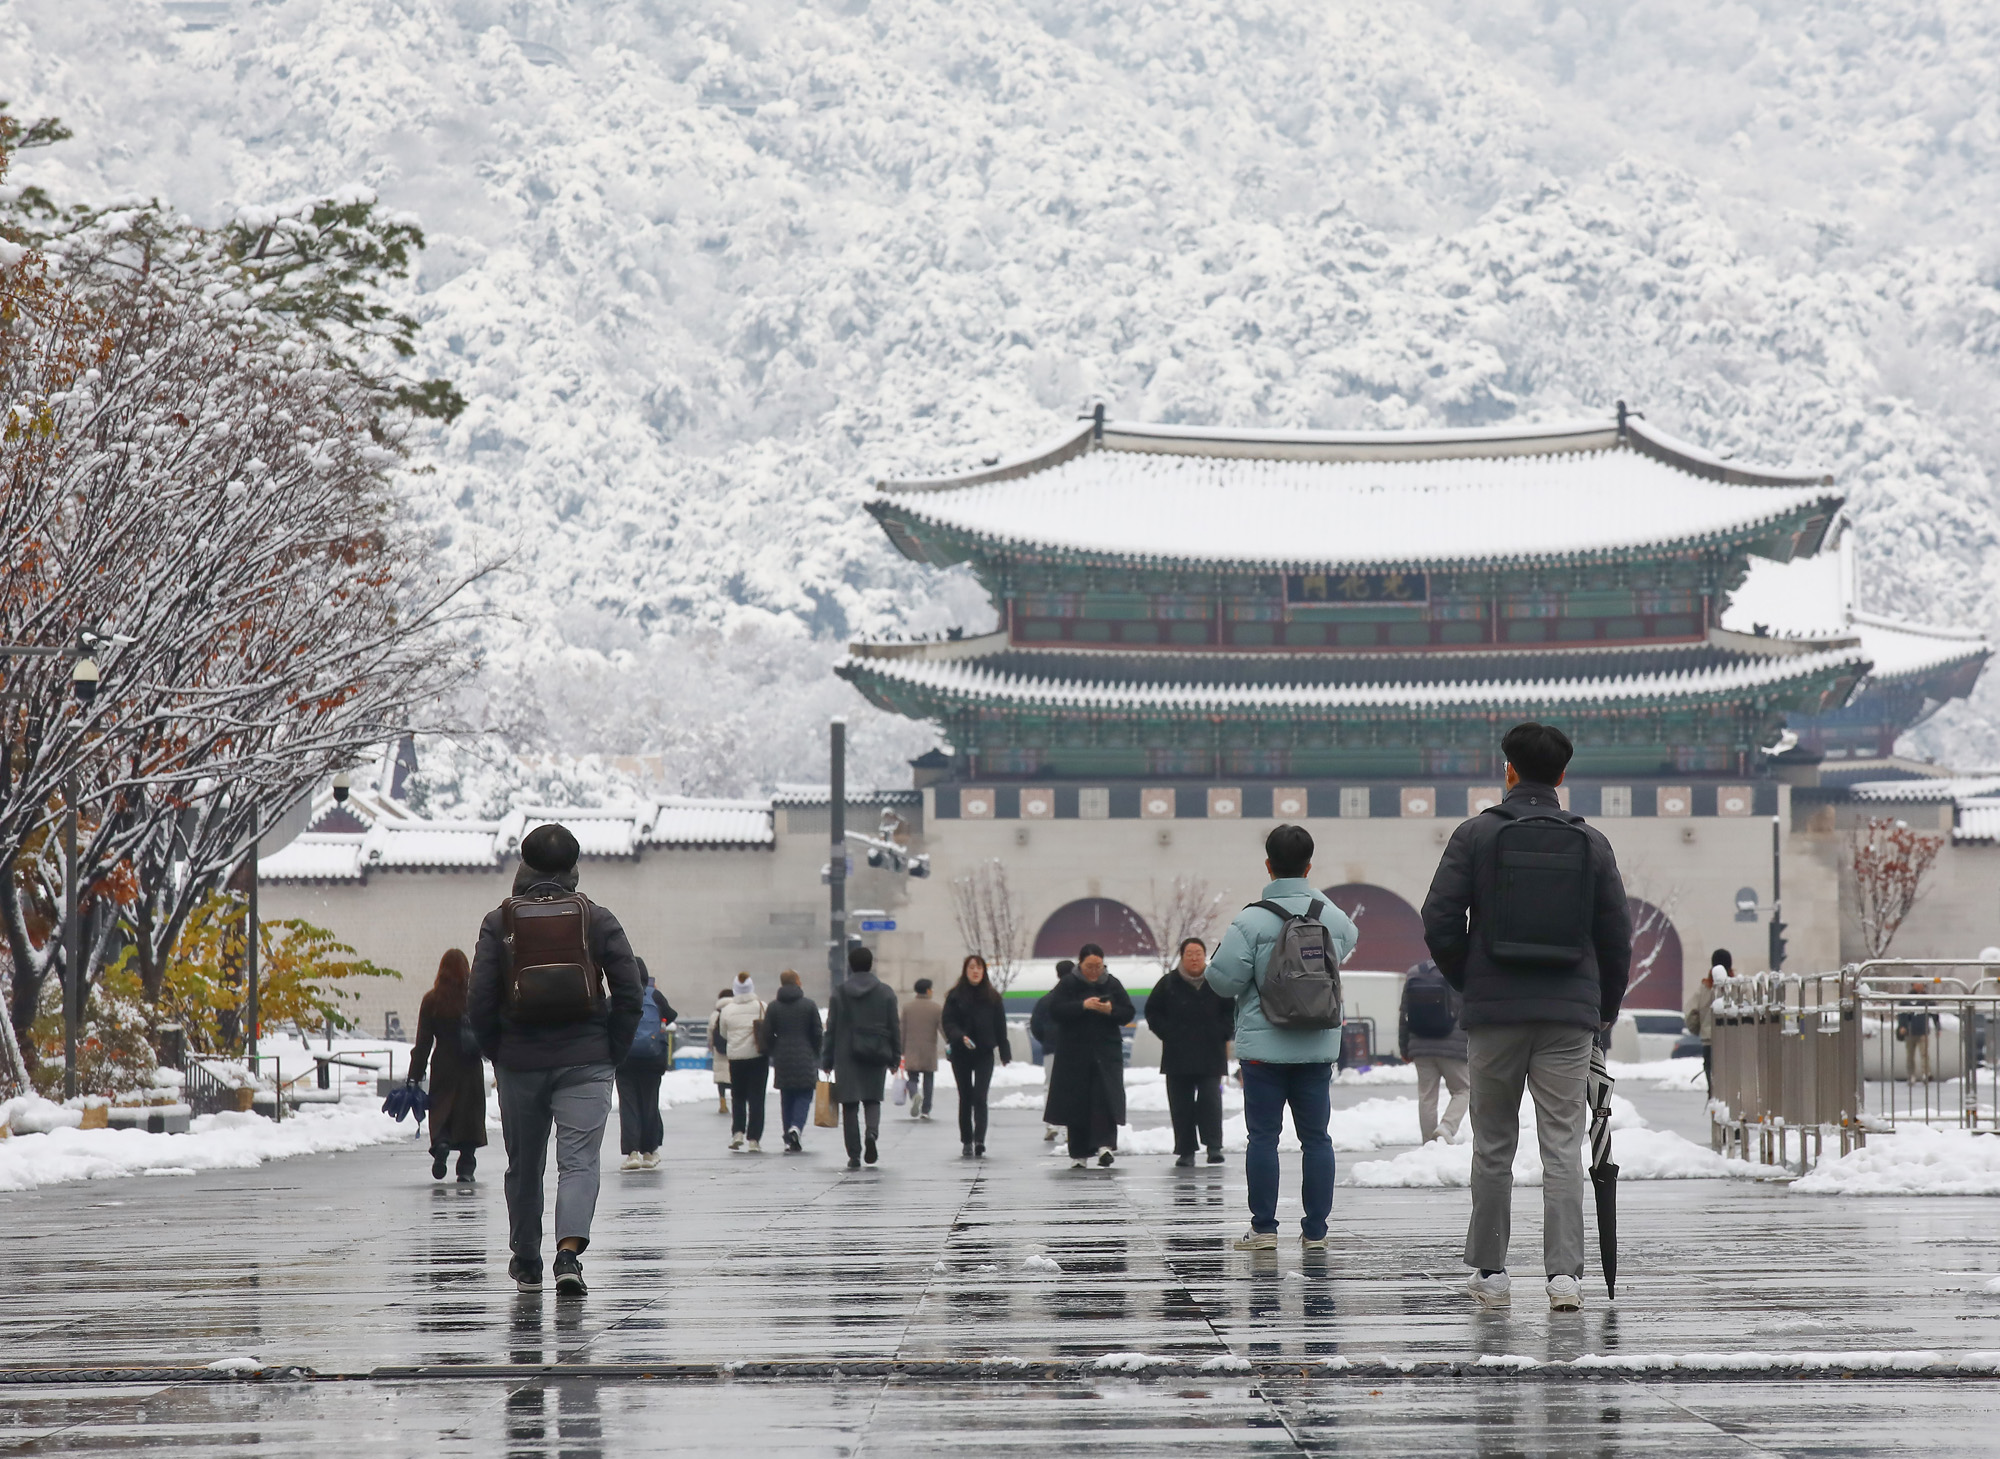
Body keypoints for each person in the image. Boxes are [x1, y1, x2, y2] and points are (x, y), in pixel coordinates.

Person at [1420, 722, 1631, 1314]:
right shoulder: (1592, 843)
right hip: (1568, 1019)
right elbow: (1617, 938)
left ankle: (1491, 1272)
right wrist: (1600, 1012)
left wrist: (1474, 983)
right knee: (1561, 1143)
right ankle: (1564, 1277)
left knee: (1493, 1144)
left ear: (1508, 770)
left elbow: (1439, 919)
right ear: (1562, 777)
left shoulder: (1476, 835)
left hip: (1494, 1017)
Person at [470, 822, 643, 1297]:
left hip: (520, 1060)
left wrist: (498, 1052)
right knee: (579, 1162)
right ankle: (567, 1254)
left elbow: (479, 998)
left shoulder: (499, 921)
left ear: (523, 866)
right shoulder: (597, 918)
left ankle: (527, 1258)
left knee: (524, 1163)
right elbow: (630, 990)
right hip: (586, 1057)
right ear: (573, 870)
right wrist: (612, 1050)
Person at [1208, 826, 1358, 1249]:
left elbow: (1221, 981)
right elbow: (1347, 941)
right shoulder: (1328, 913)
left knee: (1263, 1138)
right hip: (1315, 1045)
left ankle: (1264, 1229)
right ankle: (1315, 1232)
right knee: (1317, 1138)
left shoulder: (1251, 919)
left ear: (1269, 865)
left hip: (1263, 1052)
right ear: (1310, 866)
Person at [1041, 944, 1135, 1169]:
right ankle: (1078, 1154)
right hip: (1074, 1056)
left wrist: (1109, 1010)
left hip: (1106, 1054)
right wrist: (1082, 1006)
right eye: (1089, 966)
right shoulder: (1068, 984)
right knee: (1077, 1104)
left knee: (1105, 1100)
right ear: (1079, 964)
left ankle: (1105, 1146)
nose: (1094, 971)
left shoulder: (1112, 983)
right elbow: (1055, 1010)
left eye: (1098, 966)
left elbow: (1127, 1012)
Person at [1145, 938, 1233, 1168]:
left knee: (1210, 1101)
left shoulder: (1217, 983)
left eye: (1198, 953)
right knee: (1181, 1105)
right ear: (1182, 957)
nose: (1194, 958)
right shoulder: (1168, 983)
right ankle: (1185, 1151)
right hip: (1177, 1056)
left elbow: (1232, 1012)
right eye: (1189, 954)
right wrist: (1168, 1033)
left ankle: (1214, 1147)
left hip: (1210, 1054)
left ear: (1205, 956)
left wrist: (1222, 1032)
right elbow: (1152, 1012)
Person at [409, 948, 488, 1183]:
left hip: (443, 1063)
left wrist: (415, 1074)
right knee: (469, 1114)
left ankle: (442, 1144)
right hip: (470, 1065)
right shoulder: (474, 999)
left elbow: (423, 1042)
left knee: (442, 1108)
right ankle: (466, 1166)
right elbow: (487, 1031)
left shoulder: (432, 1000)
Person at [823, 946, 902, 1170]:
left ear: (850, 965)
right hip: (876, 1051)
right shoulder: (885, 992)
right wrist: (895, 1056)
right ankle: (872, 1134)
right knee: (872, 1099)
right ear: (871, 964)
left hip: (846, 1054)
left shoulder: (839, 992)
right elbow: (894, 1026)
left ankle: (854, 1154)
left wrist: (827, 1059)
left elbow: (831, 1027)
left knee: (849, 1105)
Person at [942, 954, 1013, 1157]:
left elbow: (1000, 1026)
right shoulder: (954, 996)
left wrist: (1004, 1050)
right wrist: (959, 1036)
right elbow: (948, 1022)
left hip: (984, 1053)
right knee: (965, 1096)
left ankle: (980, 1139)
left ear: (984, 971)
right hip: (961, 1053)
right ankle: (967, 1140)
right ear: (965, 971)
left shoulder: (992, 997)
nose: (976, 971)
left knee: (980, 1096)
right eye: (972, 967)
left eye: (979, 968)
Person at [1398, 958, 1469, 1144]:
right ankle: (1447, 1127)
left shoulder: (1414, 972)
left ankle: (1429, 1143)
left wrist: (1404, 1047)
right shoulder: (1458, 971)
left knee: (1427, 1096)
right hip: (1452, 1045)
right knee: (1464, 1089)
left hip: (1420, 1045)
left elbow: (1404, 1013)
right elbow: (1468, 1009)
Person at [616, 960, 677, 1170]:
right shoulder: (654, 995)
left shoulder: (618, 996)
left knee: (629, 1105)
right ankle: (650, 1152)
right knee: (650, 1103)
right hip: (652, 1059)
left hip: (625, 1059)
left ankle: (632, 1153)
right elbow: (672, 1015)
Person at [763, 970, 823, 1152]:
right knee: (804, 1095)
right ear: (797, 982)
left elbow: (766, 1033)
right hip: (805, 1055)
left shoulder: (773, 1007)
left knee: (786, 1096)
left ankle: (788, 1136)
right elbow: (817, 1033)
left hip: (782, 1057)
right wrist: (816, 1052)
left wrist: (774, 1050)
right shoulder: (809, 1005)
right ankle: (796, 1127)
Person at [714, 972, 769, 1152]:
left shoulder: (727, 1010)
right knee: (757, 1098)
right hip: (757, 1057)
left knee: (738, 1096)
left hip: (736, 1058)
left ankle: (737, 1131)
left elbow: (723, 1033)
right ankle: (754, 1139)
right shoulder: (762, 1006)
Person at [1030, 959, 1075, 1142]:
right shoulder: (1077, 999)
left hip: (1051, 1049)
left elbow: (1035, 1026)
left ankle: (1051, 1124)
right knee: (1072, 1087)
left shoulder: (1046, 1000)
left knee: (1049, 1086)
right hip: (1073, 1048)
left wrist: (1046, 1040)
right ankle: (1069, 1127)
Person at [1685, 950, 1731, 1095]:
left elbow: (1691, 1013)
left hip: (1709, 1042)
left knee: (1713, 1081)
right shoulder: (1737, 986)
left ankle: (1714, 1102)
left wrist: (1697, 1029)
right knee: (1732, 1081)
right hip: (1733, 1041)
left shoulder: (1704, 988)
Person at [901, 977, 944, 1120]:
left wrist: (900, 1050)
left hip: (911, 1049)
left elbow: (902, 1030)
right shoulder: (936, 1008)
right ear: (927, 990)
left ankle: (914, 1095)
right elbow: (943, 1029)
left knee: (912, 1078)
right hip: (929, 1050)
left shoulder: (907, 1008)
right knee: (928, 1080)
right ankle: (926, 1110)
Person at [708, 985, 734, 1115]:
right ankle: (736, 1101)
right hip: (734, 1048)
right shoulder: (735, 1011)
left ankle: (722, 1102)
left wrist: (711, 1045)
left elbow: (711, 1031)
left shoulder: (716, 1013)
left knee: (721, 1078)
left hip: (719, 1050)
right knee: (734, 1076)